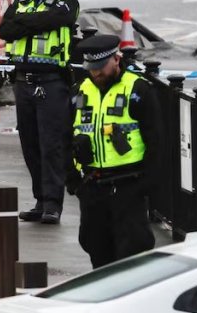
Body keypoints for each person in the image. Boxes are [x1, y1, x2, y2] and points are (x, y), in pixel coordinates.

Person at [0, 0, 80, 225]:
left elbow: (59, 18)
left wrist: (25, 22)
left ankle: (53, 204)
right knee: (30, 144)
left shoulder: (67, 1)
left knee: (52, 144)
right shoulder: (22, 0)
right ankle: (40, 199)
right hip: (23, 82)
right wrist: (34, 22)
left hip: (52, 82)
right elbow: (5, 30)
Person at [66, 34, 160, 268]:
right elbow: (63, 137)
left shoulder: (138, 90)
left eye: (100, 67)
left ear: (116, 59)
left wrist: (144, 187)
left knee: (132, 257)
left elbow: (158, 143)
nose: (95, 73)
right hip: (92, 187)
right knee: (96, 249)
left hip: (128, 187)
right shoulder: (80, 91)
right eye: (91, 68)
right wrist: (74, 182)